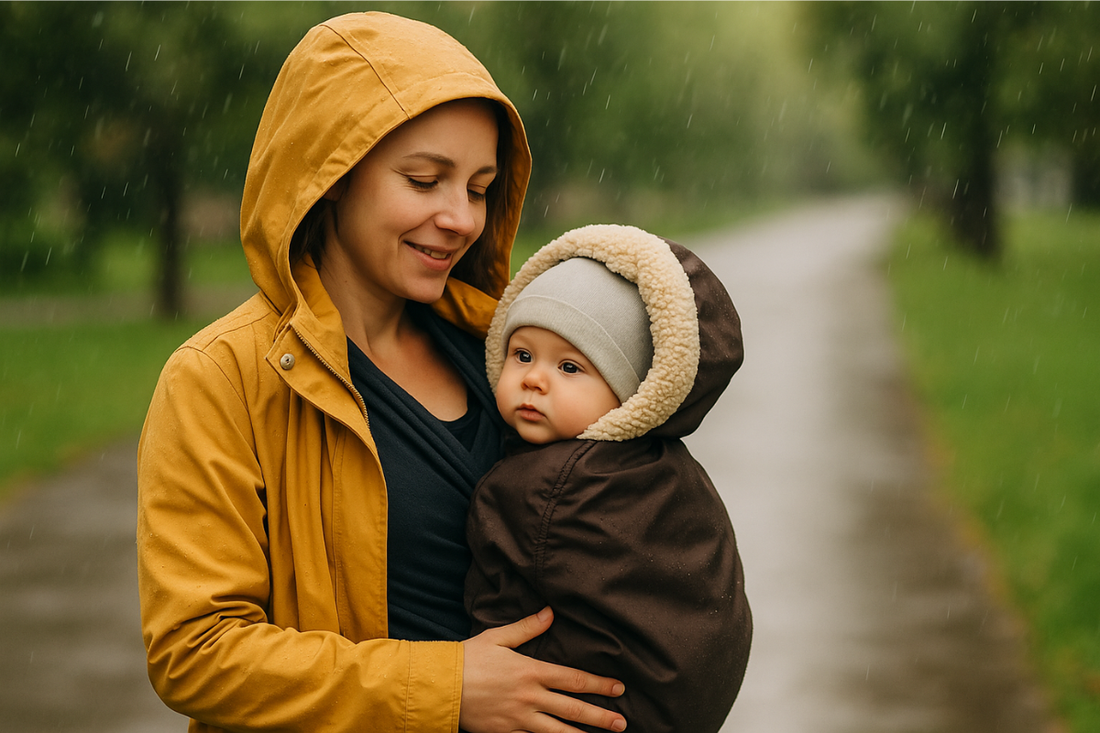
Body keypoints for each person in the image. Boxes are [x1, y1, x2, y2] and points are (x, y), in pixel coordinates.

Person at [136, 12, 627, 733]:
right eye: (425, 179)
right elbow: (197, 649)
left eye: (480, 187)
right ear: (330, 174)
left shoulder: (507, 348)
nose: (460, 218)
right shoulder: (221, 379)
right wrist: (445, 688)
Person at [466, 224, 753, 733]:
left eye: (571, 367)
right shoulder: (669, 468)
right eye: (522, 354)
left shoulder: (543, 486)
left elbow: (495, 608)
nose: (534, 378)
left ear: (629, 394)